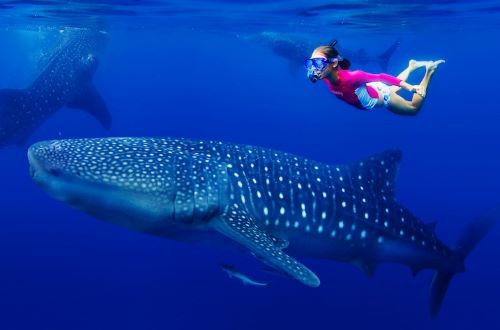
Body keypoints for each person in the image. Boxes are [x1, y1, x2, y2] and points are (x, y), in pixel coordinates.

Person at [306, 40, 445, 115]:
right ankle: (411, 66)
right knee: (390, 89)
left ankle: (429, 72)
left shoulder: (353, 77)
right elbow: (316, 73)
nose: (314, 68)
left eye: (318, 63)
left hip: (383, 97)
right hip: (372, 90)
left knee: (413, 109)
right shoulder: (324, 76)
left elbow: (381, 76)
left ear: (334, 63)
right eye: (311, 63)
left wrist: (410, 87)